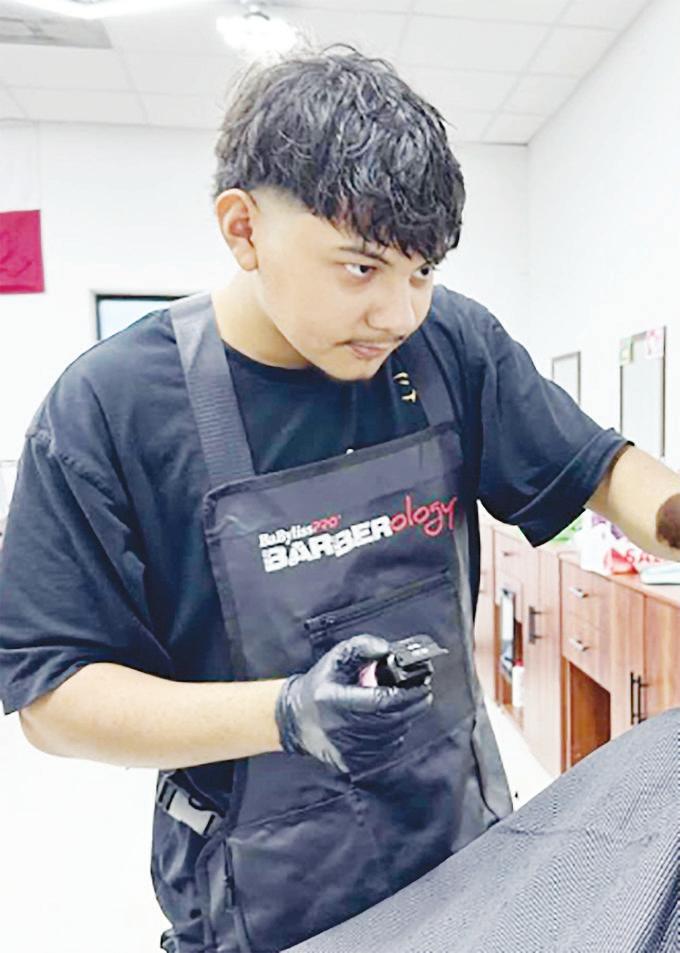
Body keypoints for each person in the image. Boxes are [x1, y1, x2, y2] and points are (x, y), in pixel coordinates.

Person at [1, 44, 679, 953]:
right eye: (361, 268)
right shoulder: (109, 409)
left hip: (463, 861)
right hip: (263, 898)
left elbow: (601, 468)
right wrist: (287, 711)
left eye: (423, 271)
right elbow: (54, 700)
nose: (399, 314)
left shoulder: (450, 345)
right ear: (243, 229)